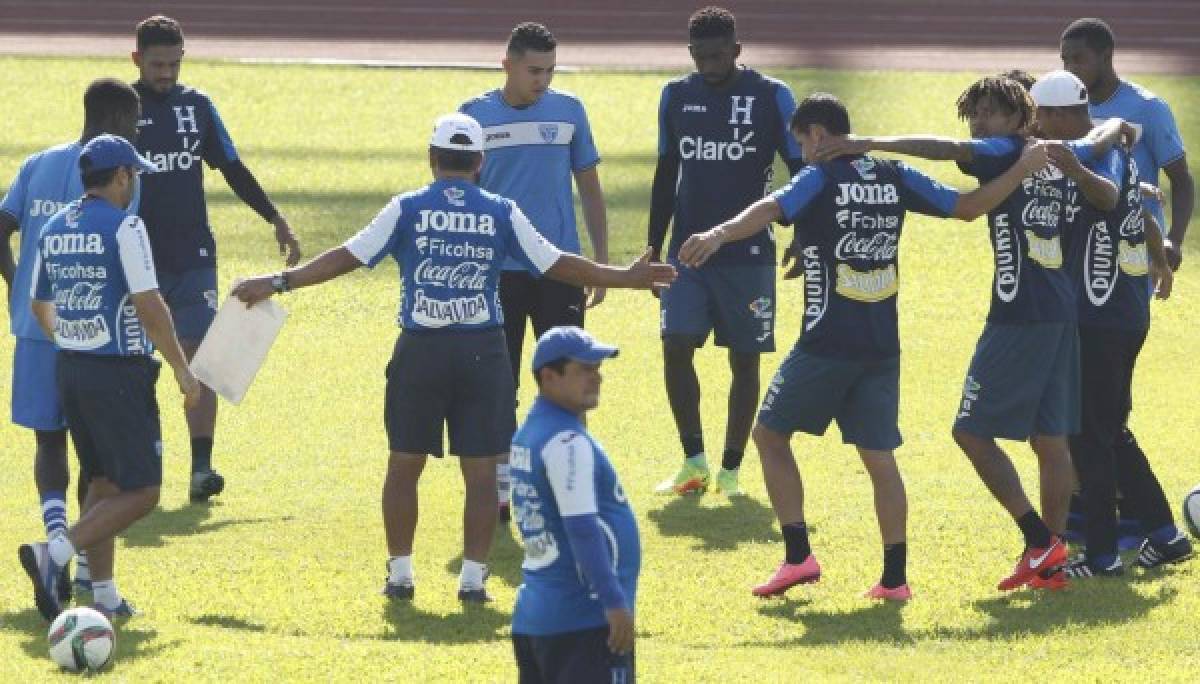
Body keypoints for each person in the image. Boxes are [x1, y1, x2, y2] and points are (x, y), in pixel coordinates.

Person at [231, 113, 673, 602]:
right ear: (481, 162)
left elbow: (346, 256)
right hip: (482, 351)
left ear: (431, 158)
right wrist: (626, 277)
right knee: (482, 471)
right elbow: (556, 264)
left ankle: (400, 574)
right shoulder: (502, 210)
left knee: (404, 463)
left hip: (420, 350)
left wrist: (277, 282)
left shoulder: (408, 208)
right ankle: (472, 579)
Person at [678, 93, 1049, 600]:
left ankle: (797, 557)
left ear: (818, 136)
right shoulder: (893, 175)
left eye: (802, 141)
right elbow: (968, 207)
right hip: (881, 345)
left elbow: (770, 206)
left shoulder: (821, 175)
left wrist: (719, 233)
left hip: (826, 343)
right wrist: (1023, 170)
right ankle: (894, 580)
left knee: (768, 435)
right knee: (879, 458)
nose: (802, 152)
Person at [810, 76, 1129, 591]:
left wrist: (869, 142)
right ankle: (1049, 560)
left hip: (1019, 316)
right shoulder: (1062, 151)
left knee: (970, 432)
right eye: (973, 113)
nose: (979, 124)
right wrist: (1118, 126)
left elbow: (947, 149)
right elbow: (1102, 152)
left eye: (989, 112)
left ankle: (1038, 538)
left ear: (1019, 117)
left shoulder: (1007, 151)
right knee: (1050, 441)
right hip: (1060, 315)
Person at [18, 134, 202, 621]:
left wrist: (72, 335)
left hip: (71, 369)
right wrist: (184, 372)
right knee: (143, 491)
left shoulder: (54, 227)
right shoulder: (126, 227)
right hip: (118, 371)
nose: (134, 183)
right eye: (133, 175)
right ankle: (54, 554)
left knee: (101, 482)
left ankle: (105, 595)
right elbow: (149, 307)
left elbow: (39, 304)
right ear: (121, 176)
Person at [132, 15, 302, 502]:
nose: (166, 73)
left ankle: (201, 467)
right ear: (136, 59)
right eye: (157, 64)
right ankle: (143, 464)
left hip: (192, 253)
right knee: (137, 362)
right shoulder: (121, 108)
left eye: (174, 63)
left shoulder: (198, 106)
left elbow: (231, 167)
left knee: (199, 357)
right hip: (137, 255)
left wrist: (275, 217)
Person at [1030, 71, 1194, 578]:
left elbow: (1104, 197)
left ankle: (1101, 556)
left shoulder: (1090, 152)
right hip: (1127, 309)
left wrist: (1076, 171)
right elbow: (1139, 204)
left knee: (1090, 435)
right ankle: (1166, 536)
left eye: (1041, 117)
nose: (1037, 127)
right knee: (1111, 429)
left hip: (1099, 316)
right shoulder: (1113, 144)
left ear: (1059, 115)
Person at [648, 6, 804, 498]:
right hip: (687, 253)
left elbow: (801, 169)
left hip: (749, 253)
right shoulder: (675, 96)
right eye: (700, 56)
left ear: (737, 50)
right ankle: (693, 461)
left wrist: (802, 232)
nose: (709, 64)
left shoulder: (772, 96)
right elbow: (664, 173)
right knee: (676, 345)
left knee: (745, 359)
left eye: (719, 55)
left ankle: (732, 470)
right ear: (690, 52)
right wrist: (654, 248)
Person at [459, 22, 609, 522]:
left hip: (559, 268)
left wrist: (600, 262)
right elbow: (460, 199)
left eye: (549, 70)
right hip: (497, 272)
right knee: (500, 382)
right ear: (507, 65)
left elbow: (589, 187)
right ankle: (503, 490)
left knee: (569, 379)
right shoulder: (473, 119)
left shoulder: (569, 113)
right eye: (533, 70)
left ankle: (567, 482)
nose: (542, 80)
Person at [1, 78, 142, 600]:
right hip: (94, 336)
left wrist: (19, 285)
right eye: (134, 122)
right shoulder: (122, 175)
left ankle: (57, 537)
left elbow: (1, 226)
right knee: (98, 455)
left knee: (48, 438)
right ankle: (80, 564)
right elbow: (124, 255)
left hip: (34, 326)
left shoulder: (36, 164)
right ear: (119, 120)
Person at [510, 326, 639, 683]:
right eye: (585, 369)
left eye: (598, 369)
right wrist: (614, 602)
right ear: (549, 377)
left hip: (537, 617)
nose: (597, 378)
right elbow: (582, 528)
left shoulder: (527, 436)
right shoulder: (566, 442)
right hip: (582, 619)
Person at [1061, 18, 1193, 272]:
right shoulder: (1064, 108)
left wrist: (1173, 240)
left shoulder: (1149, 108)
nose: (1070, 69)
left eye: (1078, 59)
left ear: (1106, 56)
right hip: (1082, 238)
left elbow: (1181, 178)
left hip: (1136, 244)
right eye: (1065, 60)